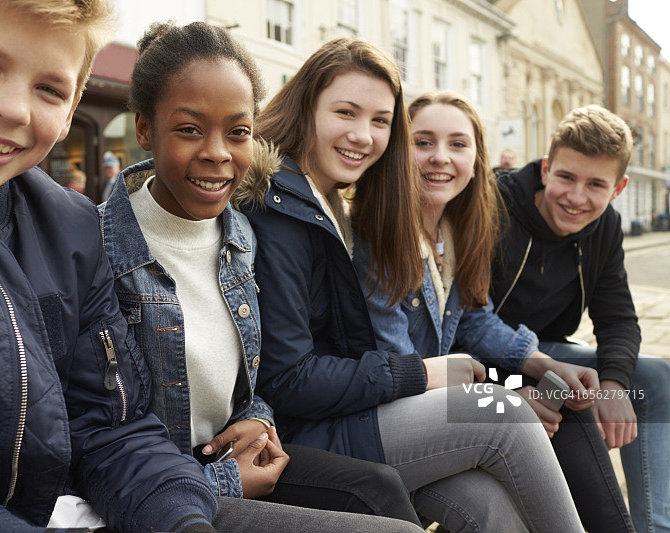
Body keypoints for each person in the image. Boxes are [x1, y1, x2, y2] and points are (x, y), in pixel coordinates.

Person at [0, 1, 220, 531]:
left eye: (49, 89)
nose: (14, 109)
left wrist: (181, 517)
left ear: (72, 109)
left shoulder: (72, 227)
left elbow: (110, 427)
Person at [237, 38, 586, 532]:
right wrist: (424, 375)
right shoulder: (283, 209)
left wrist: (531, 362)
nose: (363, 135)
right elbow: (290, 379)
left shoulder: (329, 203)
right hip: (307, 432)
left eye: (380, 120)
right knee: (505, 412)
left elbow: (468, 319)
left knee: (489, 506)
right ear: (306, 107)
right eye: (345, 112)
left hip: (356, 410)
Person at [97, 21, 422, 533]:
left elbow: (252, 378)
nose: (218, 152)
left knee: (383, 488)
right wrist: (223, 479)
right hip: (164, 489)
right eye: (189, 129)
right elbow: (101, 436)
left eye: (238, 132)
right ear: (144, 129)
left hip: (235, 458)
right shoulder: (98, 246)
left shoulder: (241, 237)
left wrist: (258, 418)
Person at [354, 91, 634, 532]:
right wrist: (504, 394)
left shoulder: (455, 229)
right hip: (390, 410)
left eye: (458, 144)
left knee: (568, 391)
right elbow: (404, 368)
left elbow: (474, 319)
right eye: (423, 142)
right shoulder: (382, 230)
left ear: (476, 161)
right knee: (516, 417)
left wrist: (544, 363)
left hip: (449, 392)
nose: (440, 157)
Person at [491, 104, 670, 533]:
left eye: (596, 185)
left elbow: (618, 317)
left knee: (653, 377)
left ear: (618, 188)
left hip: (550, 358)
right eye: (566, 177)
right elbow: (462, 321)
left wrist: (614, 384)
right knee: (564, 389)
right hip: (484, 361)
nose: (576, 197)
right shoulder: (495, 205)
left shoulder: (605, 226)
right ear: (546, 168)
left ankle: (655, 527)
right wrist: (516, 383)